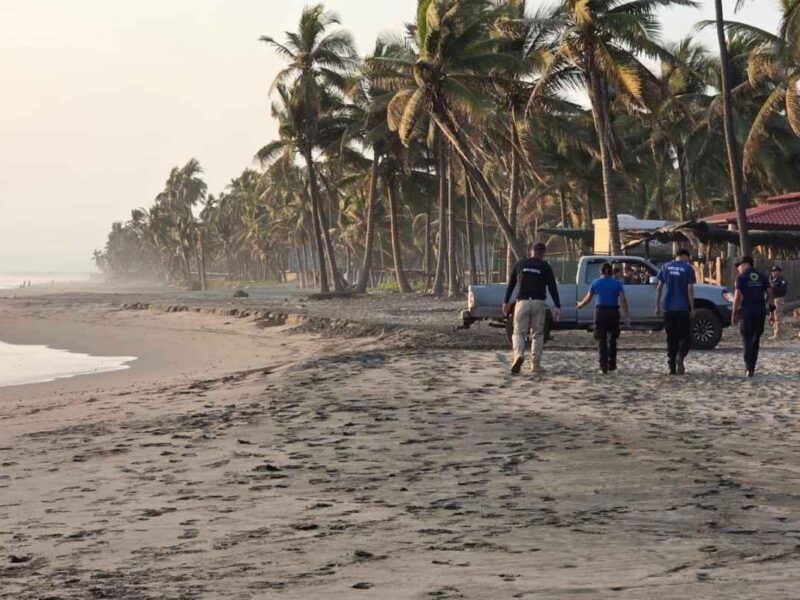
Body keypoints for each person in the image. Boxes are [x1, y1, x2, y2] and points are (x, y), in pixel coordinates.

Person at [502, 242, 562, 375]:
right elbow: (552, 287)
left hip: (522, 302)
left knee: (518, 333)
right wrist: (557, 305)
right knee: (537, 334)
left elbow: (511, 283)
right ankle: (535, 365)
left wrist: (506, 301)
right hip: (538, 303)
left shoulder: (520, 264)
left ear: (531, 251)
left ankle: (518, 354)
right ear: (544, 253)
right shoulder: (545, 266)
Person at [576, 262, 632, 374]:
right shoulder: (617, 283)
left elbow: (588, 298)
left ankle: (603, 366)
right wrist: (626, 317)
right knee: (612, 339)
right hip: (613, 312)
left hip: (600, 312)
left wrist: (580, 305)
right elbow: (623, 299)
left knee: (602, 340)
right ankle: (612, 364)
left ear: (600, 272)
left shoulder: (595, 282)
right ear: (611, 272)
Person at [655, 248, 696, 375]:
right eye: (688, 258)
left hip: (668, 307)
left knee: (671, 338)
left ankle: (671, 366)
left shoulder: (665, 267)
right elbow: (690, 289)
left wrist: (657, 306)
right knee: (685, 337)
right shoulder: (688, 269)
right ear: (684, 256)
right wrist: (692, 308)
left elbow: (659, 288)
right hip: (682, 308)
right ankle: (680, 356)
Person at [732, 257, 776, 377]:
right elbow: (770, 293)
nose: (738, 268)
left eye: (739, 266)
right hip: (760, 312)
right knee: (755, 340)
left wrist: (734, 313)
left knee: (747, 339)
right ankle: (752, 366)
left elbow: (737, 297)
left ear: (746, 264)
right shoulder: (762, 277)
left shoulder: (741, 278)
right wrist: (772, 312)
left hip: (747, 313)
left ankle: (748, 367)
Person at [769, 266, 788, 340]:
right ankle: (775, 332)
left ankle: (778, 334)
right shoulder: (772, 280)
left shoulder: (782, 280)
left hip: (778, 299)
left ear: (779, 272)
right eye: (772, 271)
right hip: (772, 299)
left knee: (778, 316)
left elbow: (783, 290)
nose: (773, 272)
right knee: (772, 316)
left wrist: (774, 287)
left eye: (775, 271)